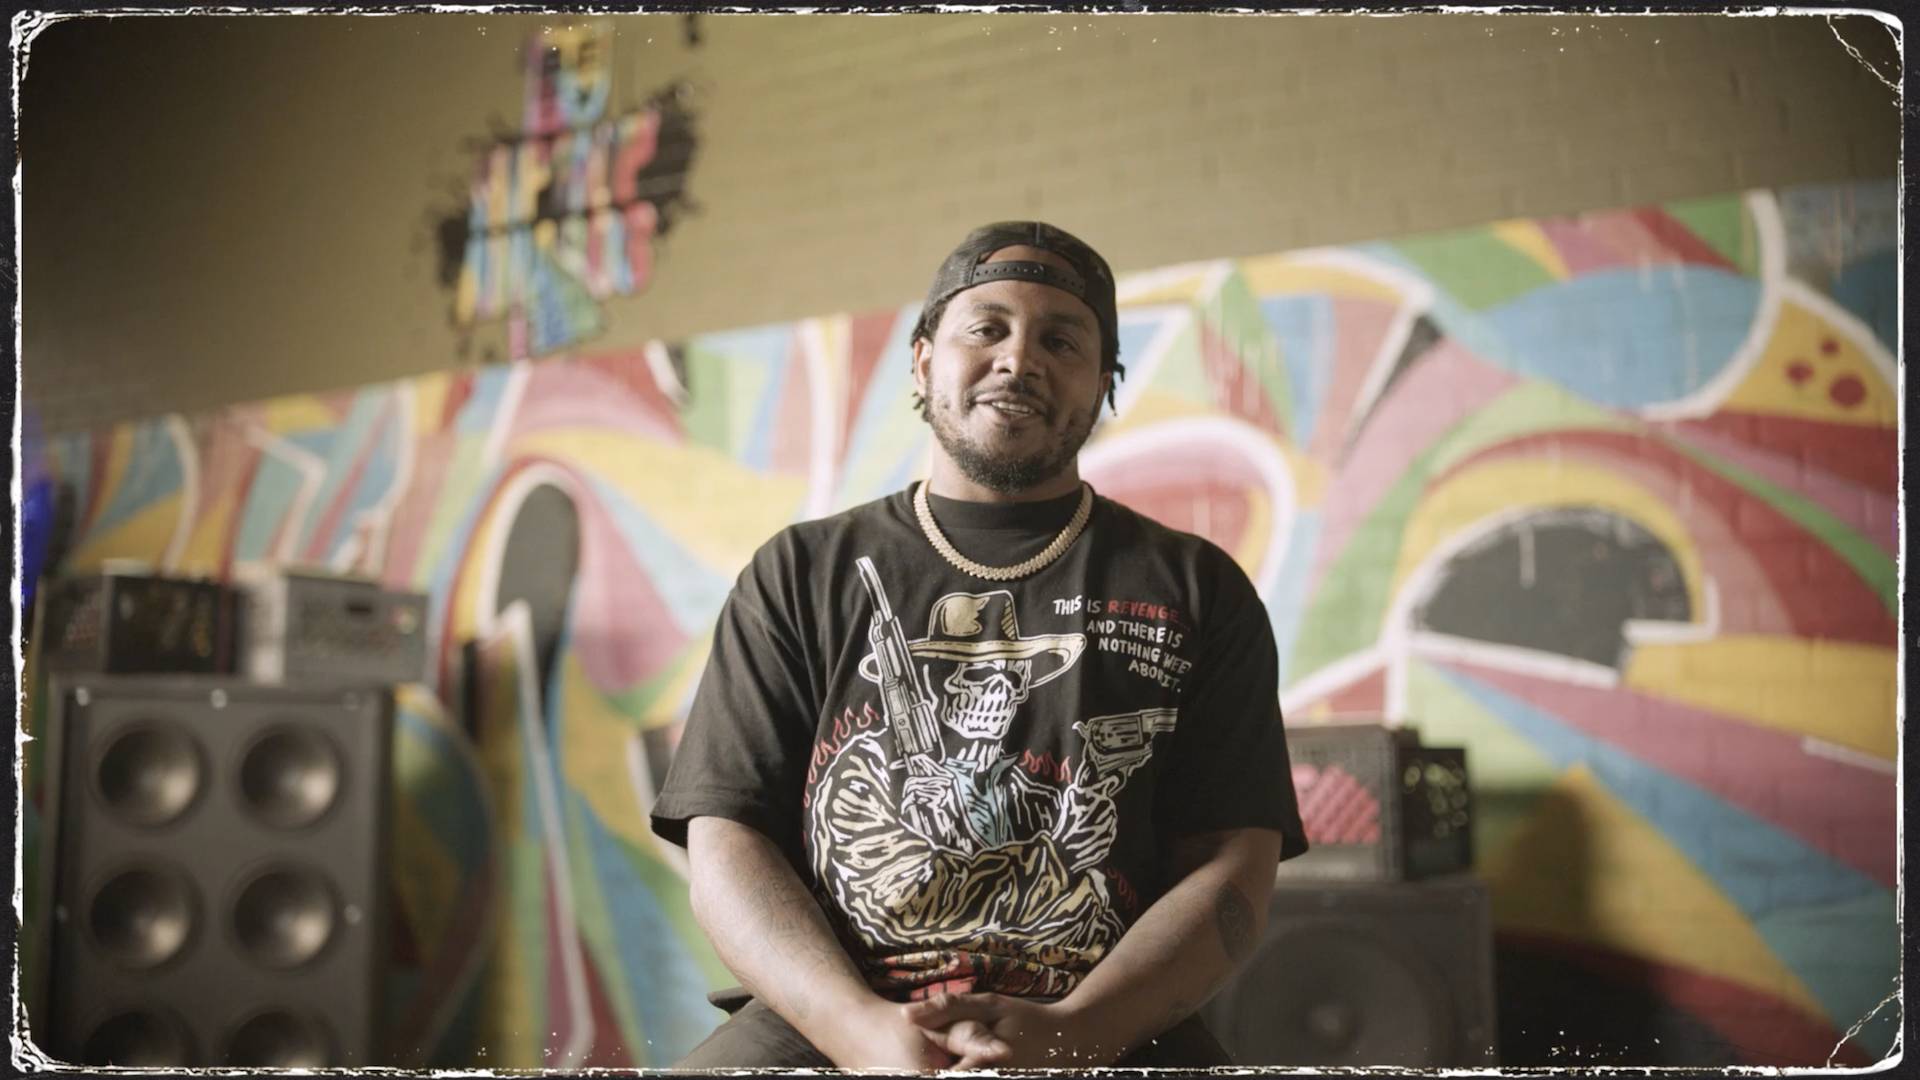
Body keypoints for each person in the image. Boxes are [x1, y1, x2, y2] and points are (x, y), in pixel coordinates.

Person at [649, 220, 1309, 1071]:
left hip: (1104, 1020)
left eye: (1061, 339)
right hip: (828, 1016)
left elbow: (1233, 867)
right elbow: (727, 841)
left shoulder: (1195, 589)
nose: (1019, 358)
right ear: (923, 360)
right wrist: (858, 1030)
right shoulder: (800, 574)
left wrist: (1075, 1034)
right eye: (986, 327)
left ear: (1106, 384)